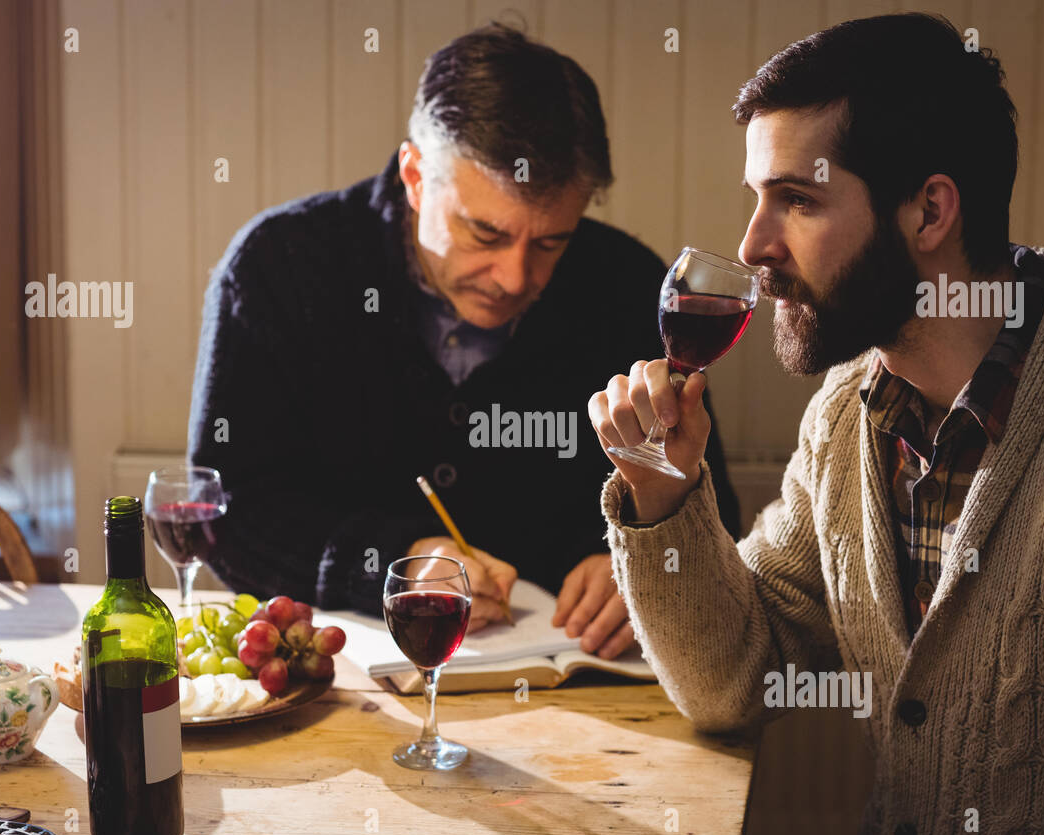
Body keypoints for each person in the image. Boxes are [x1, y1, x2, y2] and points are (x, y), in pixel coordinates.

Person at [590, 13, 1044, 835]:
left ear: (929, 210)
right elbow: (738, 682)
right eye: (759, 198)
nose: (753, 246)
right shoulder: (845, 415)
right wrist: (661, 492)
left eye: (796, 199)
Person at [188, 24, 741, 650]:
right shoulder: (278, 268)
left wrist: (639, 559)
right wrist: (396, 563)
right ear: (415, 175)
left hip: (582, 687)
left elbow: (711, 511)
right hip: (341, 684)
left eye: (551, 243)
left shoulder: (628, 285)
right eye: (485, 233)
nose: (514, 279)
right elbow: (228, 511)